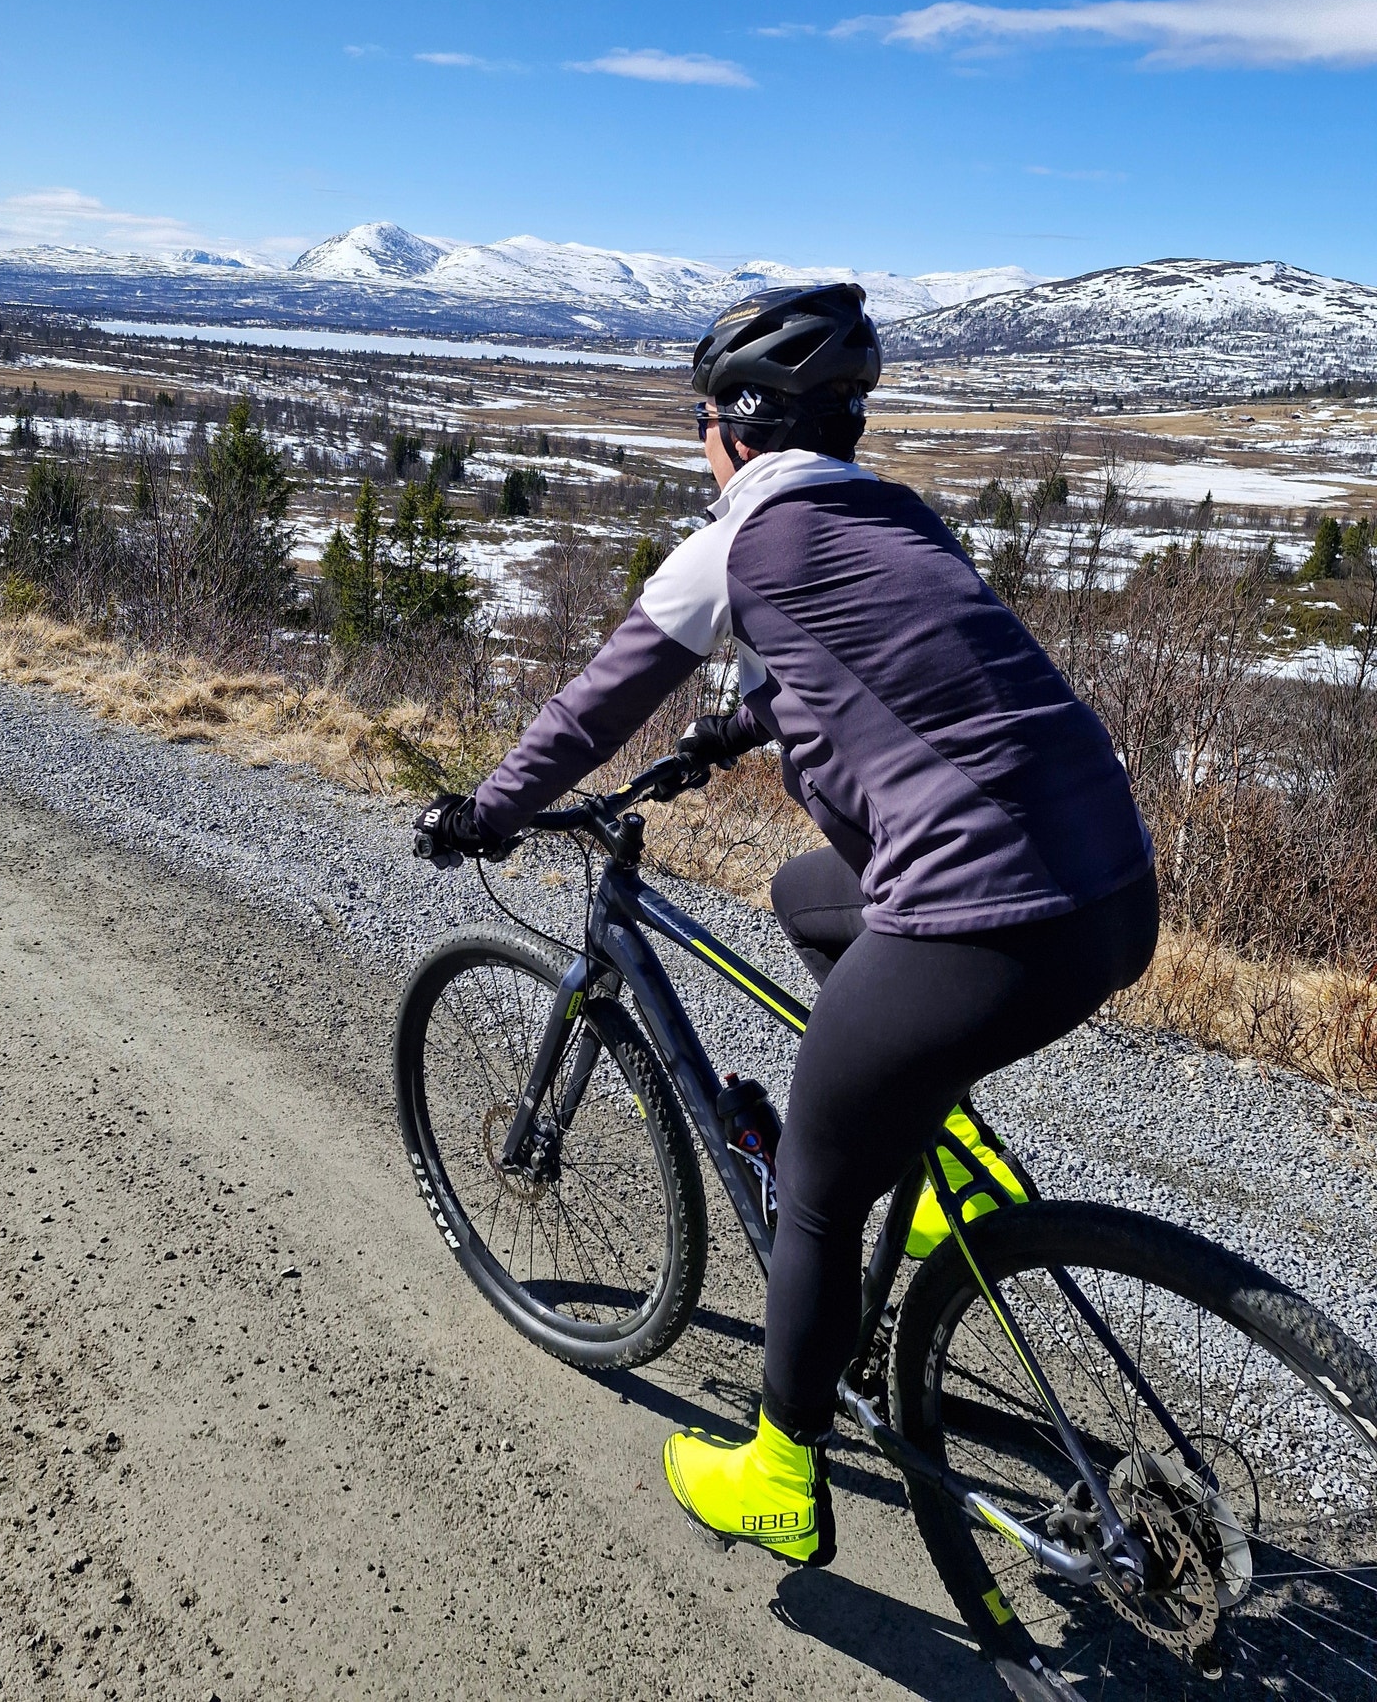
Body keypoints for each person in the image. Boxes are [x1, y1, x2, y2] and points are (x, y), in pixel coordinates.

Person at [415, 283, 1158, 1568]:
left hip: (985, 921)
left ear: (735, 429)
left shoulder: (735, 541)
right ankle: (935, 1156)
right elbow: (890, 658)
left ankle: (779, 1471)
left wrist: (484, 811)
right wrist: (732, 726)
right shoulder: (893, 516)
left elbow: (593, 708)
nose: (702, 445)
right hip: (1113, 893)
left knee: (813, 1187)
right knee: (807, 896)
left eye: (703, 423)